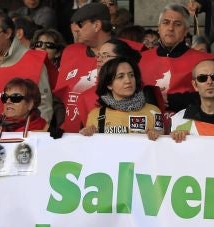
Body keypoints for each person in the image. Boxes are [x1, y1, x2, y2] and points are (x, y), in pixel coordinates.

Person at [139, 3, 214, 133]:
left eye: (177, 24)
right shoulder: (139, 59)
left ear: (186, 30)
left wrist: (170, 99)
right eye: (166, 22)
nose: (170, 28)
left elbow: (213, 96)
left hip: (189, 129)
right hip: (147, 129)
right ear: (159, 27)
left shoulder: (205, 61)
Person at [54, 3, 112, 133]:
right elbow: (59, 98)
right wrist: (59, 124)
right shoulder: (70, 52)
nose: (75, 29)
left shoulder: (126, 53)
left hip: (108, 135)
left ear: (96, 25)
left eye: (80, 24)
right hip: (71, 135)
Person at [80, 57, 163, 136]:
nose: (128, 81)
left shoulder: (154, 111)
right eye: (120, 77)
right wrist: (87, 134)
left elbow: (162, 144)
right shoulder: (95, 114)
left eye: (131, 75)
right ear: (109, 84)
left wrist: (158, 135)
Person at [0, 12, 53, 124]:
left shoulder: (34, 61)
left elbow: (43, 107)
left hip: (22, 137)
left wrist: (34, 137)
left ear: (8, 33)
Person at [77, 38, 142, 128]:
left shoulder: (146, 94)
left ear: (122, 59)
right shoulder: (86, 97)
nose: (99, 60)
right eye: (98, 55)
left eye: (105, 56)